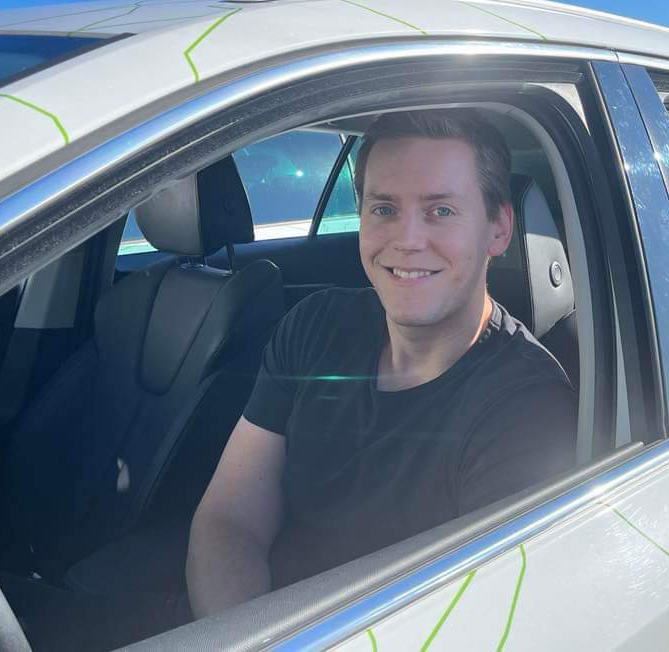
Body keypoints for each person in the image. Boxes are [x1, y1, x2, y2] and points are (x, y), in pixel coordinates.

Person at [186, 109, 577, 617]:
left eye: (441, 211)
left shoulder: (528, 410)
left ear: (498, 230)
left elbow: (479, 617)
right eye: (384, 209)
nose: (406, 239)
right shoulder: (315, 326)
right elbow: (229, 517)